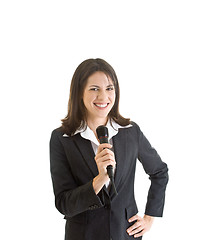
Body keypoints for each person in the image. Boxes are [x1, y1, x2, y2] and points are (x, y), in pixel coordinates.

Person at [49, 58, 169, 240]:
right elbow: (64, 204)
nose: (104, 97)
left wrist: (149, 218)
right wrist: (100, 179)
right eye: (94, 89)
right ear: (79, 92)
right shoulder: (62, 139)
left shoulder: (131, 132)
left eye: (109, 89)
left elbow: (159, 172)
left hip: (125, 234)